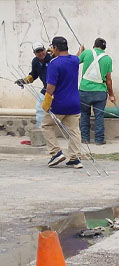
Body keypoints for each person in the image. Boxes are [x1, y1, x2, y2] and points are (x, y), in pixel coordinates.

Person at [42, 36, 84, 169]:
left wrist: (47, 100)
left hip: (59, 103)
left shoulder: (54, 64)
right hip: (75, 103)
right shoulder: (75, 60)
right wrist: (80, 50)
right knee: (74, 131)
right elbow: (77, 56)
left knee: (46, 125)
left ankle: (56, 153)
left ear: (55, 48)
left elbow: (51, 86)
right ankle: (75, 158)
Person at [78, 37, 114, 145]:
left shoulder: (87, 52)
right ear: (104, 48)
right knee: (99, 116)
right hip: (100, 92)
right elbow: (108, 80)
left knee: (84, 115)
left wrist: (80, 51)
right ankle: (99, 140)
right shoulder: (108, 59)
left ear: (94, 45)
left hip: (84, 90)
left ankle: (85, 138)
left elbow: (74, 61)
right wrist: (111, 94)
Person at [14, 42, 53, 127]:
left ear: (45, 50)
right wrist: (24, 81)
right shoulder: (35, 62)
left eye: (42, 50)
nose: (40, 53)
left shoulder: (52, 58)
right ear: (34, 53)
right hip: (46, 89)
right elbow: (34, 74)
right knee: (40, 107)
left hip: (57, 89)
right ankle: (40, 129)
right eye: (37, 52)